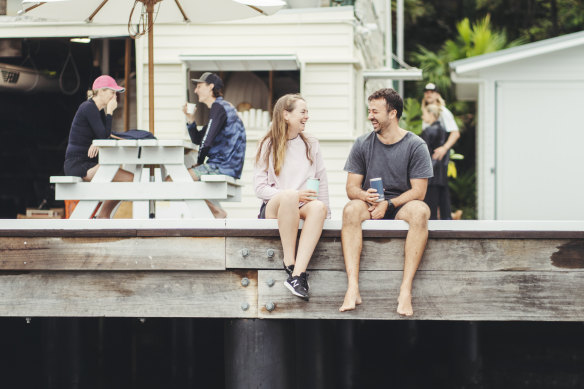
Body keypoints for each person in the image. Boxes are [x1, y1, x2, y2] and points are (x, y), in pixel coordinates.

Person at [339, 88, 433, 316]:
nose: (370, 116)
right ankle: (352, 288)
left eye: (375, 111)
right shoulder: (362, 144)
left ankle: (405, 290)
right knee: (350, 209)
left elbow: (419, 191)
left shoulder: (415, 145)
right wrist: (364, 196)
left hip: (401, 206)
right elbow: (351, 188)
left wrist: (389, 205)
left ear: (392, 114)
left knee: (421, 211)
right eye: (369, 111)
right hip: (370, 205)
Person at [254, 94, 330, 300]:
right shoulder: (267, 144)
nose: (307, 116)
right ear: (286, 115)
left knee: (318, 208)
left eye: (307, 112)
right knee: (288, 196)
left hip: (301, 207)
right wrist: (293, 195)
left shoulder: (311, 144)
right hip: (275, 207)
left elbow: (321, 179)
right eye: (302, 112)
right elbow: (260, 189)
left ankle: (297, 276)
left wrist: (327, 214)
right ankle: (290, 261)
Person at [64, 75, 134, 219]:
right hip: (78, 164)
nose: (115, 97)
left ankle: (103, 214)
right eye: (112, 92)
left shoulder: (97, 110)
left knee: (129, 180)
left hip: (89, 163)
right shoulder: (88, 107)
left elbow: (103, 136)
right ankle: (103, 214)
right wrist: (110, 112)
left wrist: (96, 142)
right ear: (101, 91)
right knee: (130, 179)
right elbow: (104, 136)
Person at [183, 72, 246, 219]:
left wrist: (198, 163)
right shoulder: (222, 108)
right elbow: (199, 139)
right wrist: (191, 120)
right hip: (228, 165)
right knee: (181, 178)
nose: (195, 90)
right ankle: (215, 211)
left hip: (222, 166)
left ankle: (215, 211)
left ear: (211, 86)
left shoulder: (219, 107)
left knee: (176, 179)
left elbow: (206, 142)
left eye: (199, 86)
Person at [421, 104, 451, 220]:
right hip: (442, 174)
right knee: (445, 209)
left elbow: (424, 155)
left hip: (430, 175)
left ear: (432, 114)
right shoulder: (444, 131)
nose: (423, 117)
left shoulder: (427, 131)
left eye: (424, 114)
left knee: (431, 211)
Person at [421, 82, 460, 161]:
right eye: (427, 92)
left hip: (439, 157)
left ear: (437, 95)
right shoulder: (426, 112)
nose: (429, 94)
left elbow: (455, 133)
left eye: (432, 92)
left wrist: (444, 148)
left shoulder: (443, 112)